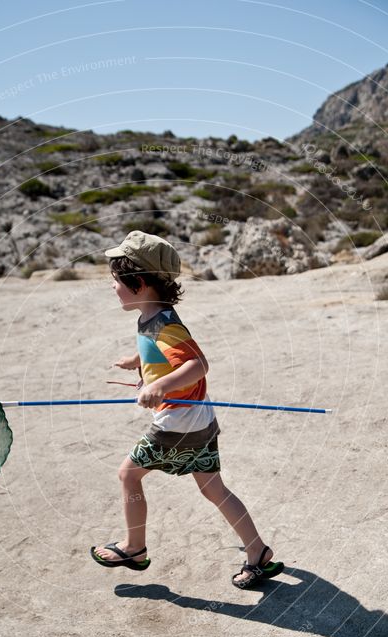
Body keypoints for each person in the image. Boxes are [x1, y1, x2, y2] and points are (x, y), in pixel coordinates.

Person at [90, 231, 284, 588]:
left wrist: (159, 386)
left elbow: (197, 364)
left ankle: (134, 547)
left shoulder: (166, 325)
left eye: (116, 281)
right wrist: (137, 362)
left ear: (140, 282)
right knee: (213, 489)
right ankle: (257, 551)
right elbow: (157, 349)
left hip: (178, 423)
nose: (112, 287)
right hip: (200, 420)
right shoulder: (154, 316)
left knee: (128, 476)